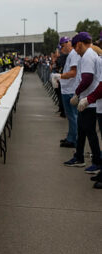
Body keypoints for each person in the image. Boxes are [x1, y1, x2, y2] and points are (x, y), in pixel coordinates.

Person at [64, 32, 102, 174]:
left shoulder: (87, 56)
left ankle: (97, 161)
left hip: (89, 101)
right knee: (82, 130)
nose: (75, 50)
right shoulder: (89, 55)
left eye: (75, 46)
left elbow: (87, 78)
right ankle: (79, 156)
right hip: (87, 100)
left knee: (90, 132)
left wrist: (77, 94)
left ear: (79, 44)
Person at [52, 37, 80, 148]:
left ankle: (74, 140)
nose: (62, 49)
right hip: (67, 88)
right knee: (70, 116)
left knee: (73, 116)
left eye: (63, 46)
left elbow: (73, 72)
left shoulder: (73, 55)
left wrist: (60, 76)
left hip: (71, 90)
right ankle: (71, 137)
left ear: (69, 43)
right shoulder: (70, 55)